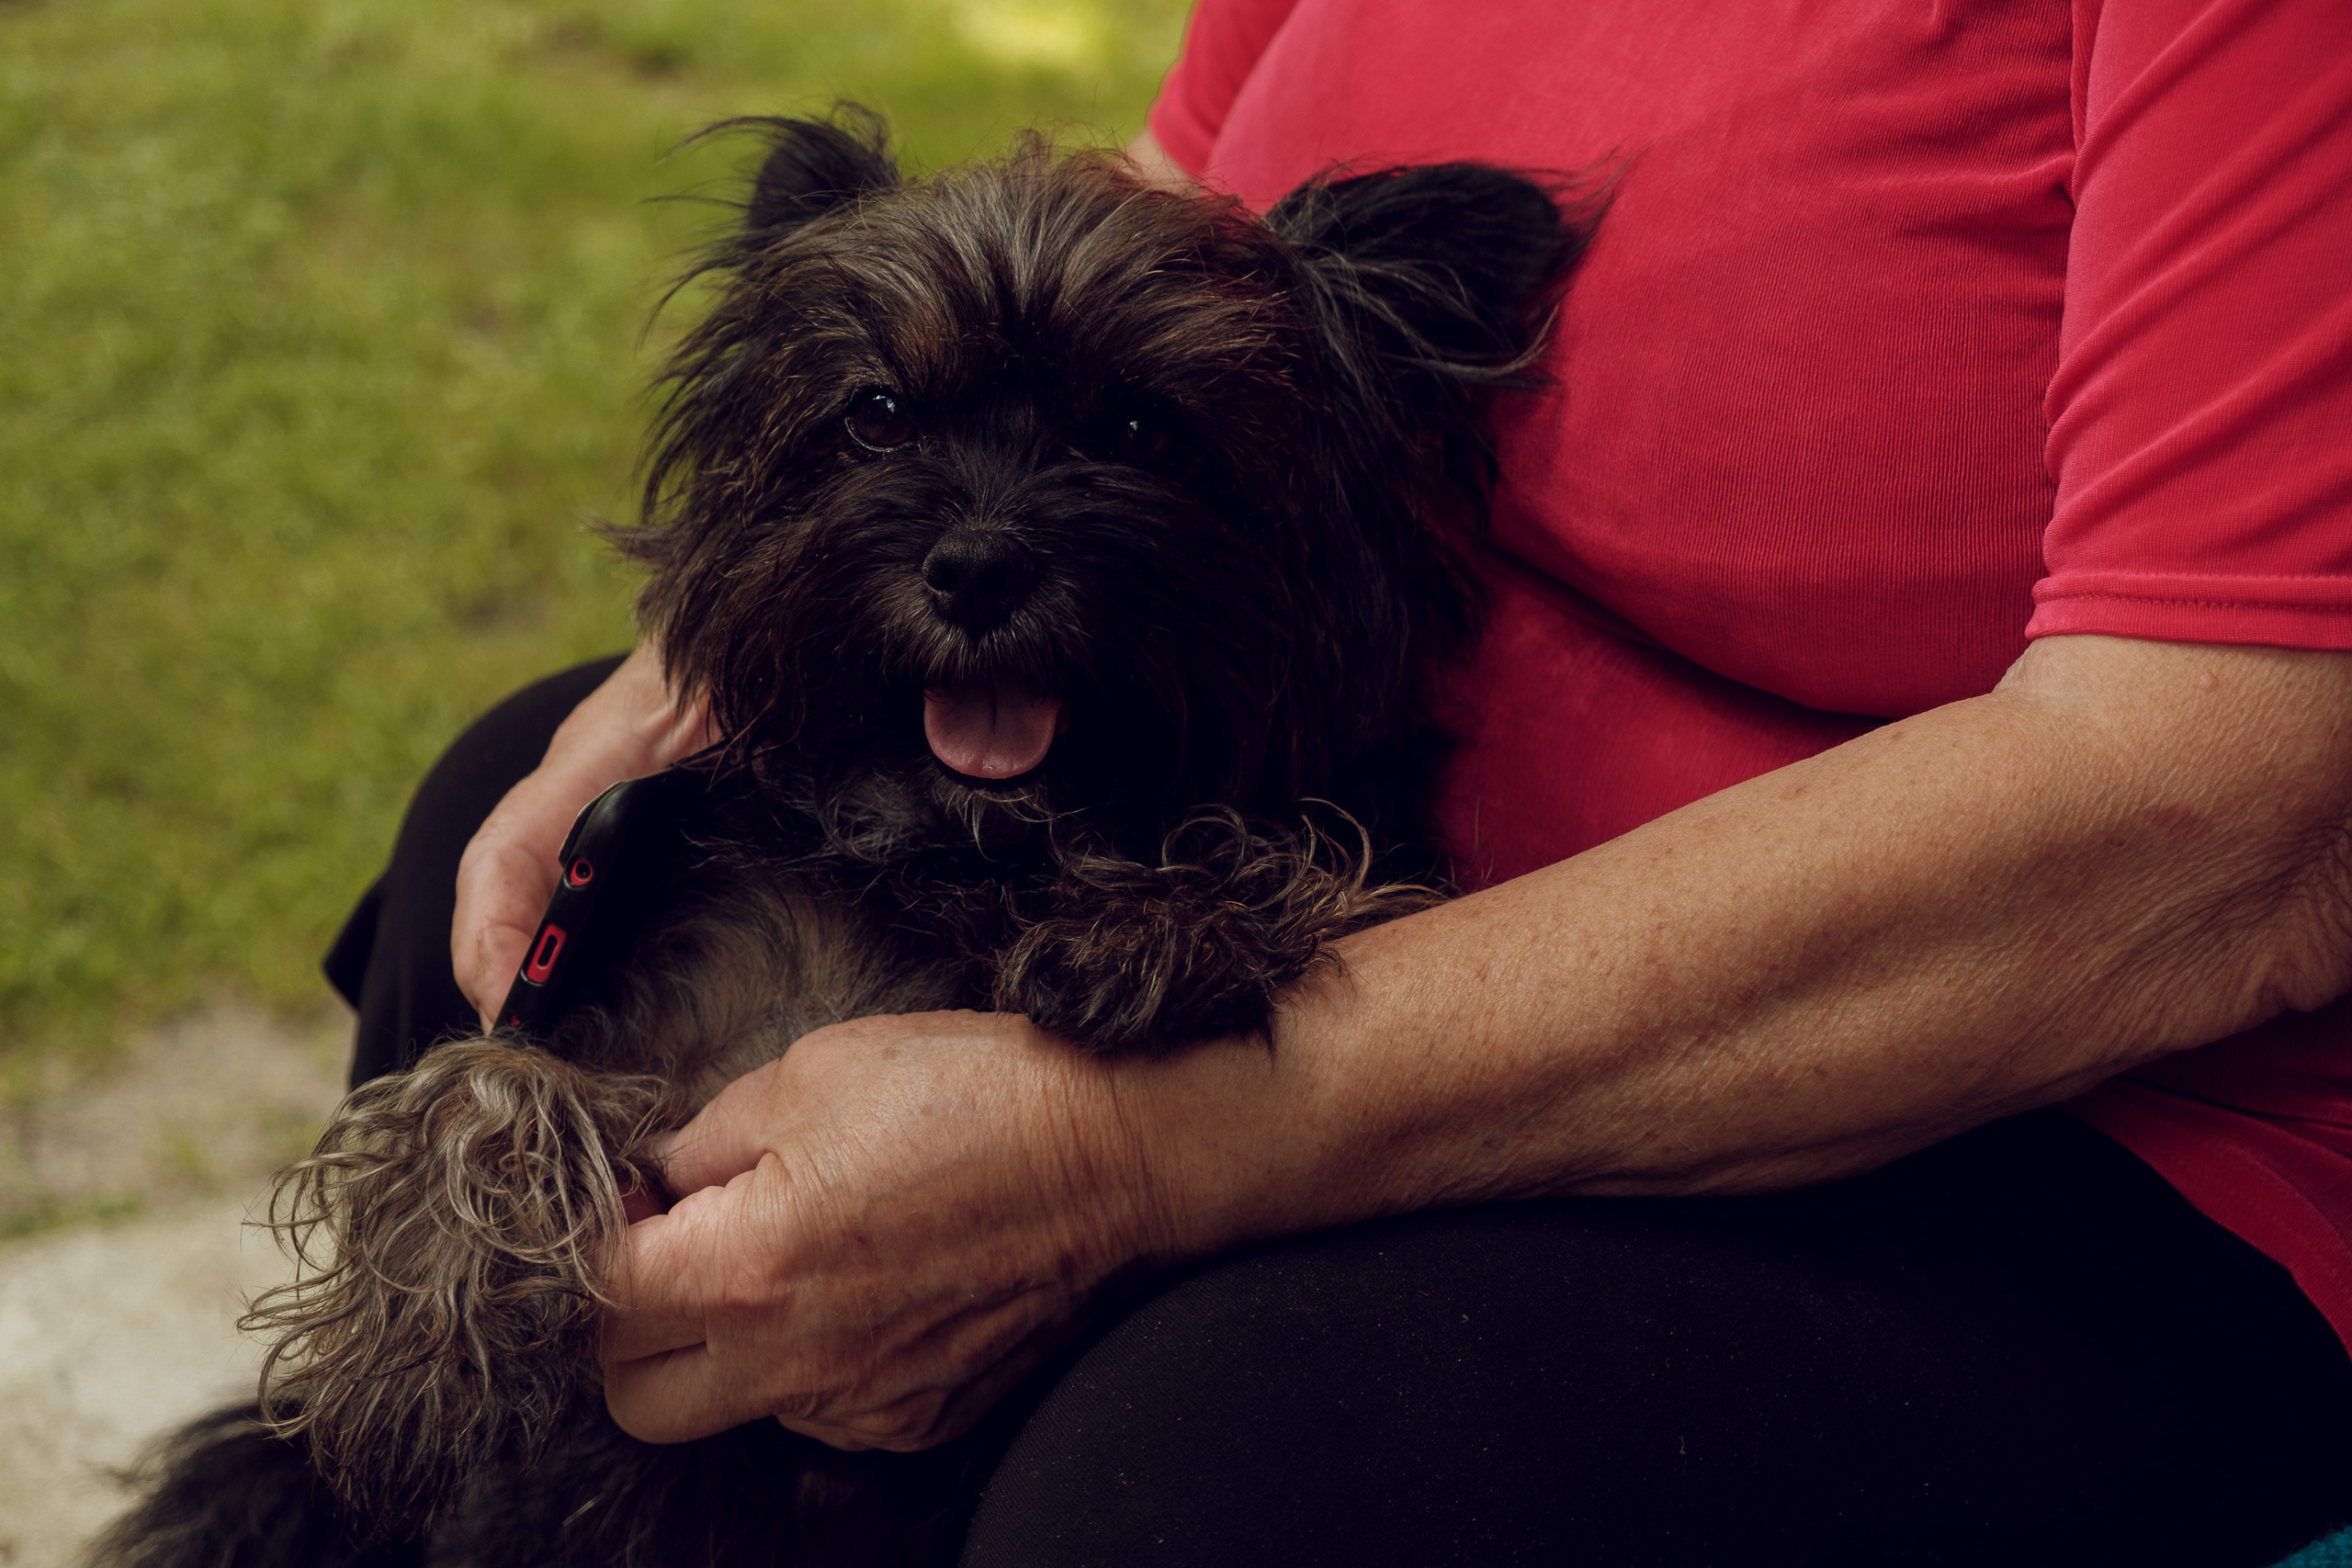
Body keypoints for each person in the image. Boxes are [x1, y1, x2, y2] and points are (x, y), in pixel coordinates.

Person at [331, 0, 2352, 1561]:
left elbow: (2230, 820)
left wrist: (1141, 1148)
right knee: (504, 830)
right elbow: (1159, 213)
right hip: (1277, 803)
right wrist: (727, 614)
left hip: (2045, 1097)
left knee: (1201, 1464)